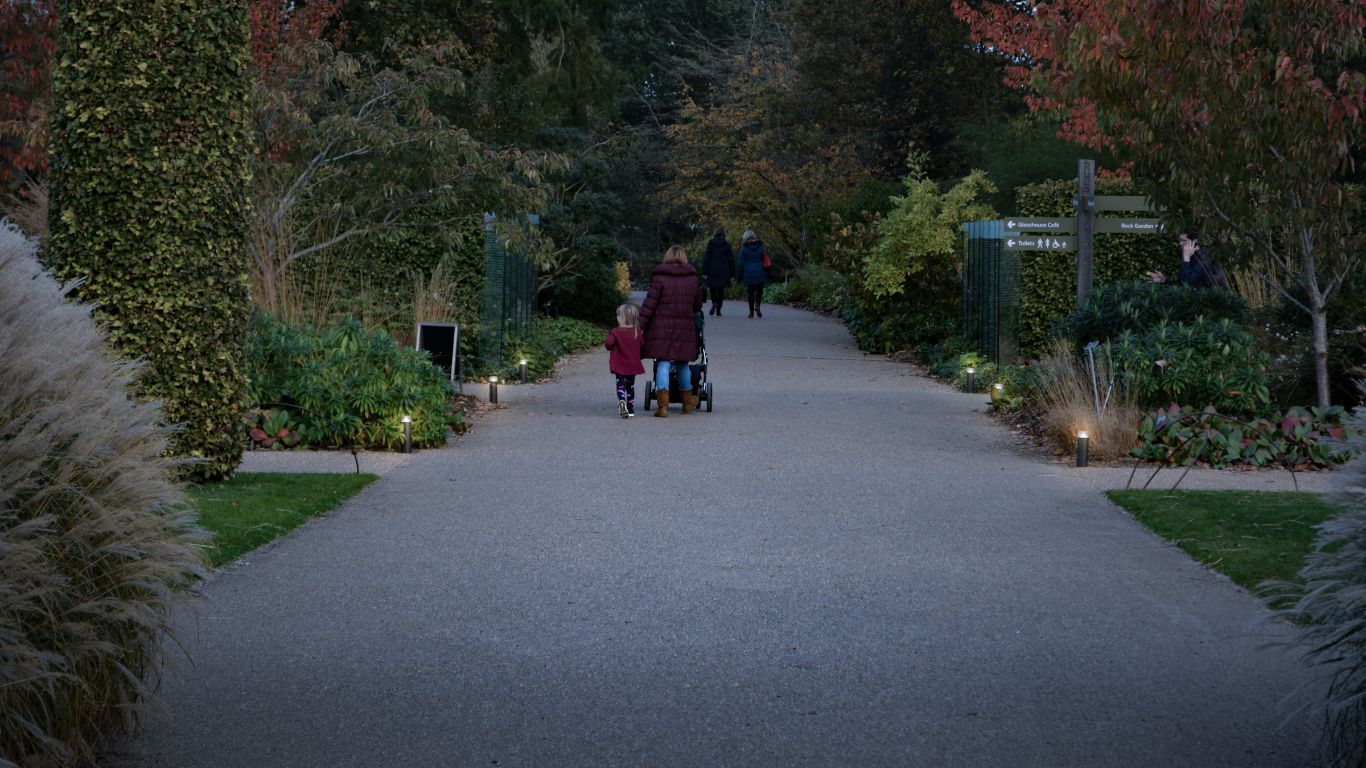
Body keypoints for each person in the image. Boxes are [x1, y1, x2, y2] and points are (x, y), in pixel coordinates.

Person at [638, 245, 704, 416]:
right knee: (683, 363)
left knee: (663, 363)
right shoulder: (692, 280)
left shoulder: (659, 278)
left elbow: (649, 305)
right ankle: (688, 401)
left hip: (661, 328)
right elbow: (697, 305)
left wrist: (639, 326)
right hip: (684, 329)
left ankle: (663, 405)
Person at [1146, 227, 1226, 289]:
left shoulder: (1204, 257)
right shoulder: (1192, 256)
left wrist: (1186, 259)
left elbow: (1186, 284)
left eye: (1183, 240)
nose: (1180, 243)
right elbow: (1182, 283)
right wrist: (1165, 280)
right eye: (1180, 240)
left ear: (1194, 242)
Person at [603, 303, 645, 418]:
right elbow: (642, 345)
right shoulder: (637, 331)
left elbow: (608, 344)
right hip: (632, 365)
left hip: (619, 364)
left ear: (621, 318)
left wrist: (612, 346)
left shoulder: (616, 332)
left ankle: (622, 401)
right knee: (630, 386)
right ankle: (630, 409)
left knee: (620, 385)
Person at [701, 228, 735, 316]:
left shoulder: (711, 244)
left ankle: (714, 303)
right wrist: (732, 274)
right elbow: (731, 260)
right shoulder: (727, 245)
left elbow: (706, 258)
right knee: (721, 290)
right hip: (724, 270)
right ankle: (718, 311)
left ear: (715, 234)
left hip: (712, 269)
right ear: (723, 235)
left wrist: (705, 272)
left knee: (712, 288)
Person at [735, 229, 769, 318]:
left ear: (745, 237)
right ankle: (757, 305)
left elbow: (740, 264)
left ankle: (751, 313)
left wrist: (739, 277)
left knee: (750, 292)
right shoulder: (760, 246)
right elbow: (765, 258)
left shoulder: (744, 248)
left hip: (748, 273)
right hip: (760, 271)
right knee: (759, 291)